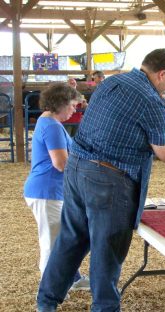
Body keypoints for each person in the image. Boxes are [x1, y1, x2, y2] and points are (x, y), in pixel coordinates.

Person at [36, 49, 165, 312]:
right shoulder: (152, 101)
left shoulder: (112, 82)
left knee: (71, 240)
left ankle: (46, 303)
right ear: (161, 74)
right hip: (109, 179)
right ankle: (105, 308)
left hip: (76, 168)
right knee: (107, 250)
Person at [23, 83, 89, 290]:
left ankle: (73, 278)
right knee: (51, 243)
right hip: (47, 190)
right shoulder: (52, 126)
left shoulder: (48, 121)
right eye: (71, 105)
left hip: (50, 190)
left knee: (64, 237)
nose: (73, 110)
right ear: (60, 104)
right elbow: (61, 163)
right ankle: (48, 289)